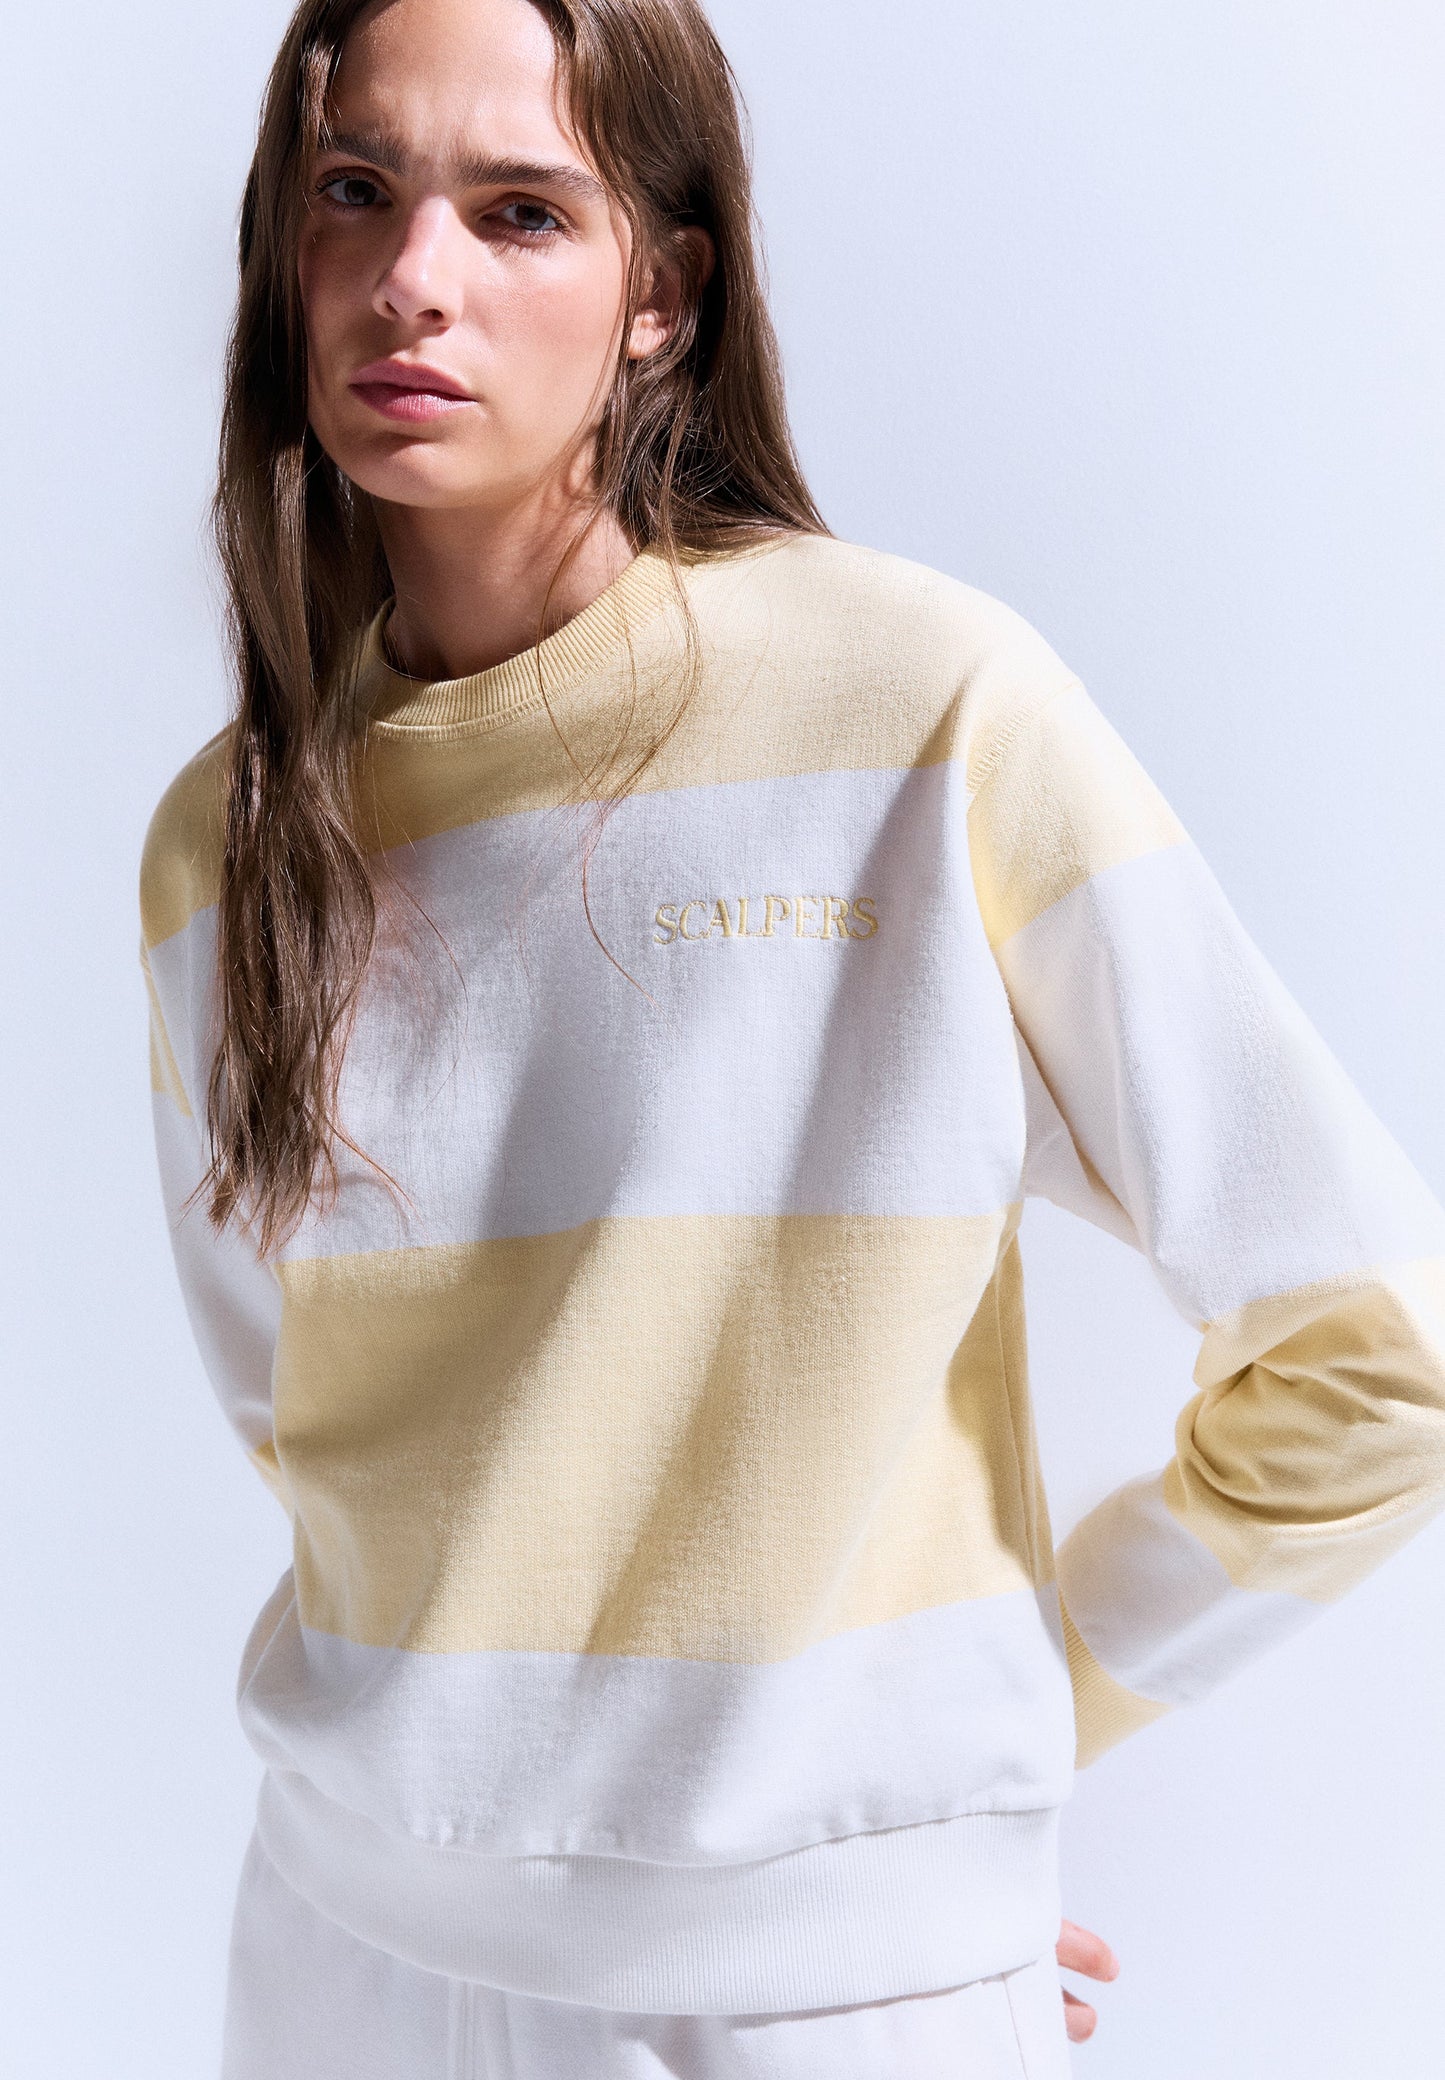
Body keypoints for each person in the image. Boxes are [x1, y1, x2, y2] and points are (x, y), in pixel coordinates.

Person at [138, 0, 1445, 2074]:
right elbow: (311, 1424)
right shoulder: (221, 840)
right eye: (355, 191)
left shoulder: (921, 705)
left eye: (521, 212)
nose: (411, 280)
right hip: (332, 1956)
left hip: (816, 2011)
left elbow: (1378, 1355)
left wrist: (941, 1807)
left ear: (663, 294)